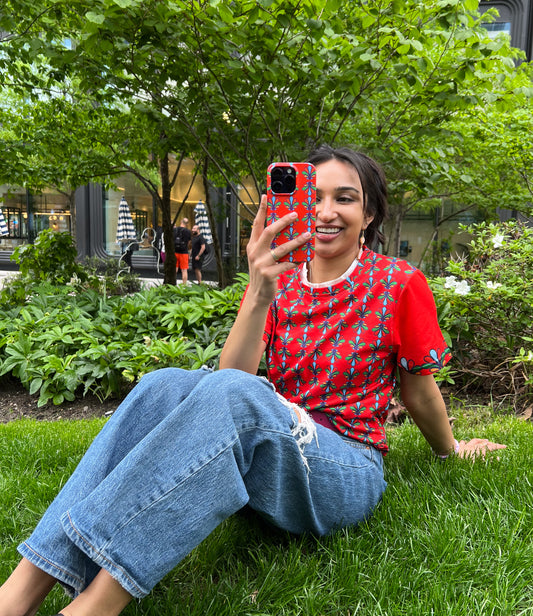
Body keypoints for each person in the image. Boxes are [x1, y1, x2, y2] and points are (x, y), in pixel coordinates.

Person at [0, 145, 505, 616]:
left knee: (231, 393)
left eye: (345, 198)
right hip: (274, 452)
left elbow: (417, 388)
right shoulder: (280, 276)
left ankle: (94, 605)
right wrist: (260, 291)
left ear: (369, 214)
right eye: (316, 197)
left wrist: (449, 448)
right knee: (164, 384)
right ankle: (21, 589)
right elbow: (230, 381)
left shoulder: (399, 283)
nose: (327, 211)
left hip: (345, 463)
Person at [174, 218, 191, 284]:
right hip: (184, 253)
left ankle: (173, 284)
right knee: (184, 270)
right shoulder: (188, 231)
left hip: (175, 252)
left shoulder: (174, 230)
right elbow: (189, 243)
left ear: (181, 222)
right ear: (187, 224)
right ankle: (184, 286)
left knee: (174, 269)